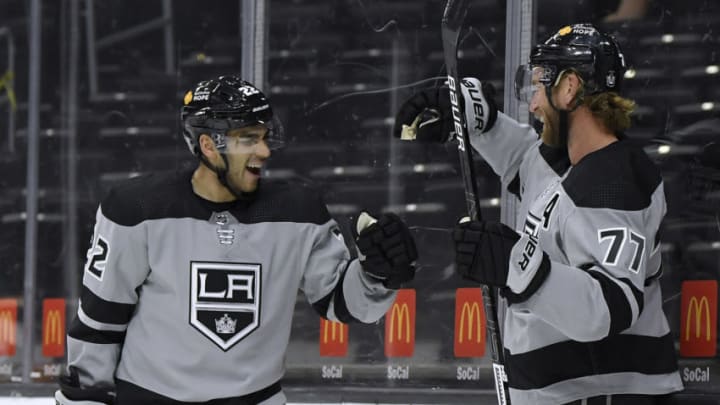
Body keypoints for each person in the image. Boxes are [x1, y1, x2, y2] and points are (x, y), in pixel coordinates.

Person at [55, 75, 418, 405]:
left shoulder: (299, 211)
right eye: (249, 140)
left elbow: (341, 305)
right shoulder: (136, 209)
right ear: (209, 145)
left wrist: (377, 275)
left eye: (263, 138)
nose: (265, 151)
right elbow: (101, 318)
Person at [394, 23, 683, 405]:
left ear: (568, 88)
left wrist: (519, 267)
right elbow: (526, 163)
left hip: (606, 393)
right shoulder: (571, 160)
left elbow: (612, 305)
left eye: (537, 88)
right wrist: (480, 120)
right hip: (565, 391)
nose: (532, 105)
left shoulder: (613, 183)